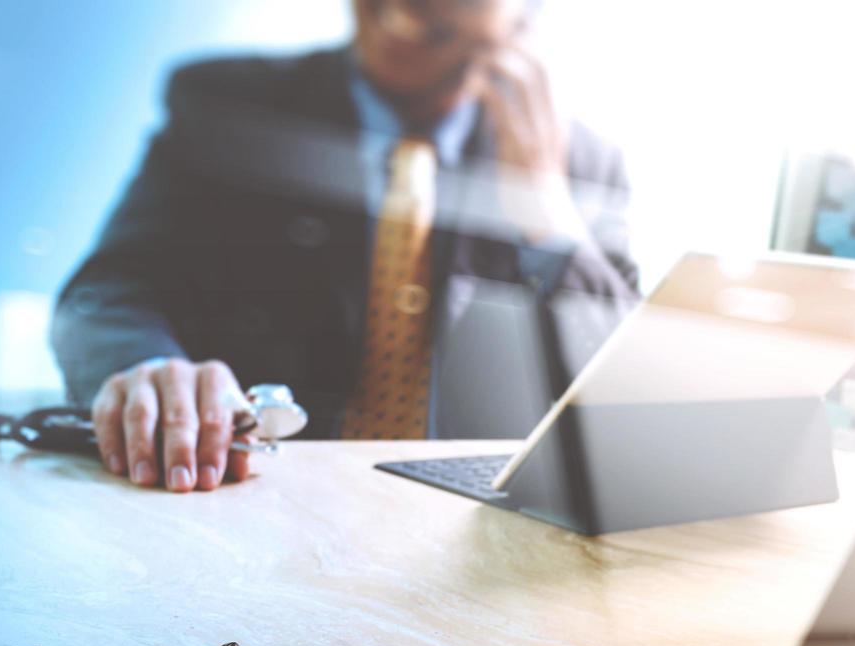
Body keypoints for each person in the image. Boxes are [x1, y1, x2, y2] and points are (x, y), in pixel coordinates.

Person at [52, 0, 639, 492]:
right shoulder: (227, 103)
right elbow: (106, 295)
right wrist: (149, 370)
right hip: (237, 504)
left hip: (473, 548)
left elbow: (629, 405)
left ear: (522, 23)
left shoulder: (584, 168)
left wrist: (549, 221)